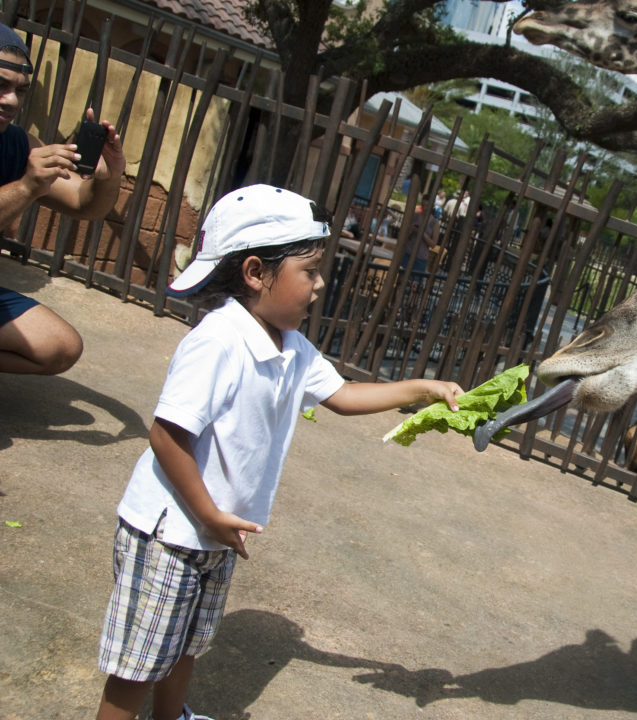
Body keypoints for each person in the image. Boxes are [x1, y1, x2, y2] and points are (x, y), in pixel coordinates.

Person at [93, 185, 463, 720]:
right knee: (138, 667)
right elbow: (166, 436)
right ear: (254, 273)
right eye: (309, 272)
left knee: (187, 644)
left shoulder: (290, 345)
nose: (320, 286)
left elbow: (344, 396)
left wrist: (424, 389)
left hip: (217, 530)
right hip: (171, 530)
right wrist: (209, 514)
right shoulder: (219, 341)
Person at [0, 23, 125, 374]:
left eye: (20, 90)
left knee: (60, 346)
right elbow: (29, 187)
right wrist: (26, 187)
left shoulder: (18, 144)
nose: (11, 100)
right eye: (1, 85)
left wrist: (108, 175)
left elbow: (85, 204)